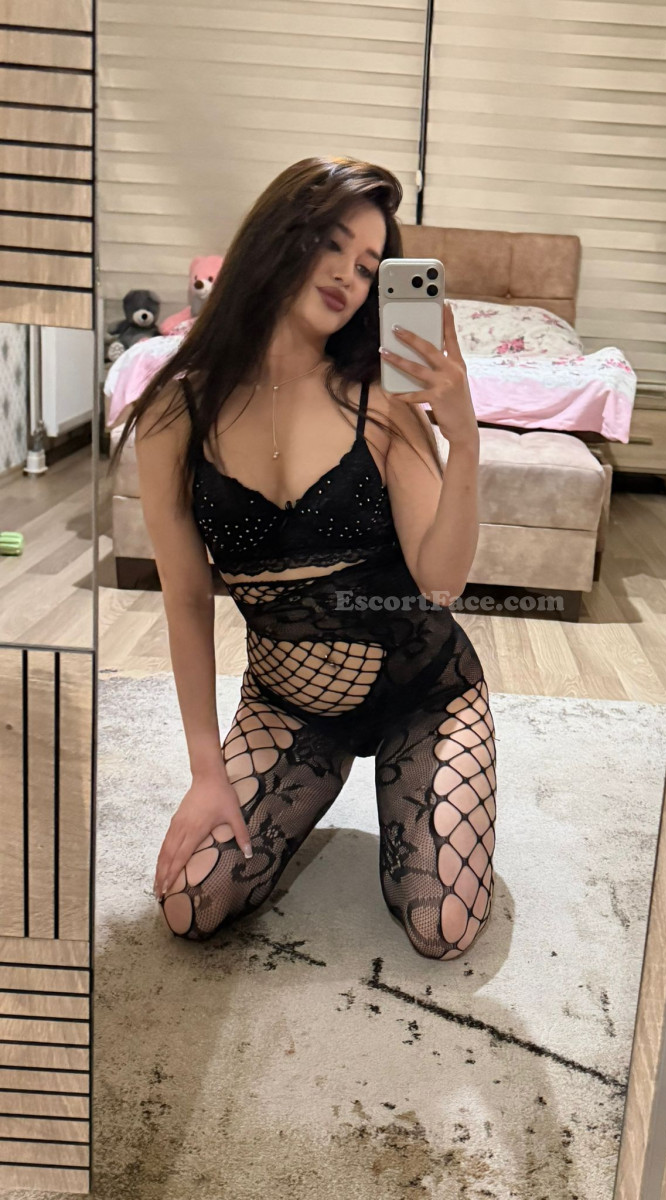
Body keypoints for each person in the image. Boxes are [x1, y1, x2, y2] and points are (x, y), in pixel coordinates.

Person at [108, 156, 496, 960]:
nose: (350, 275)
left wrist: (465, 441)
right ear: (279, 234)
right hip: (290, 707)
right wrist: (206, 771)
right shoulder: (176, 411)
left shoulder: (381, 400)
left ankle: (408, 782)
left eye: (370, 265)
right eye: (333, 243)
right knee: (190, 905)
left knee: (443, 926)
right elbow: (185, 598)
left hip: (426, 695)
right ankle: (328, 780)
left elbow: (441, 581)